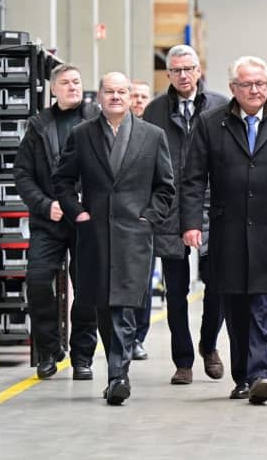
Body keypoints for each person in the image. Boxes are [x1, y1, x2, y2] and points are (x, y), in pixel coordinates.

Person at [180, 56, 267, 405]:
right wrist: (191, 223)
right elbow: (193, 177)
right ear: (233, 89)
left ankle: (261, 375)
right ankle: (242, 377)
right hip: (226, 231)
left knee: (262, 305)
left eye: (261, 84)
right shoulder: (211, 124)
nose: (255, 90)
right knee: (235, 306)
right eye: (247, 84)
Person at [53, 72, 175, 405]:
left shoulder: (152, 136)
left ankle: (118, 376)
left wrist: (149, 217)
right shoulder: (82, 135)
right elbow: (62, 181)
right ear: (100, 96)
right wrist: (77, 212)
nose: (117, 97)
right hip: (95, 235)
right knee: (103, 306)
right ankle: (116, 369)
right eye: (110, 91)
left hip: (134, 234)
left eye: (122, 91)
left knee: (124, 305)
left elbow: (165, 187)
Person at [143, 44, 229, 384]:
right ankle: (183, 360)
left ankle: (209, 346)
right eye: (176, 70)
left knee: (218, 284)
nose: (183, 75)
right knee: (174, 291)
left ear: (199, 70)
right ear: (168, 74)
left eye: (188, 68)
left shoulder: (221, 106)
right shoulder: (153, 112)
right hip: (170, 209)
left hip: (214, 206)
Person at [13, 64, 99, 381]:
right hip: (48, 220)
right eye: (65, 82)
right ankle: (49, 351)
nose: (73, 86)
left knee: (87, 290)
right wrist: (45, 205)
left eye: (77, 81)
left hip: (86, 220)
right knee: (37, 282)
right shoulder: (38, 126)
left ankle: (82, 357)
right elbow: (21, 174)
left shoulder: (97, 121)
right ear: (53, 89)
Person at [128, 78, 154, 361]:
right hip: (119, 220)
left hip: (146, 220)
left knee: (144, 282)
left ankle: (138, 337)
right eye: (133, 95)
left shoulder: (154, 134)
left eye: (143, 97)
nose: (138, 101)